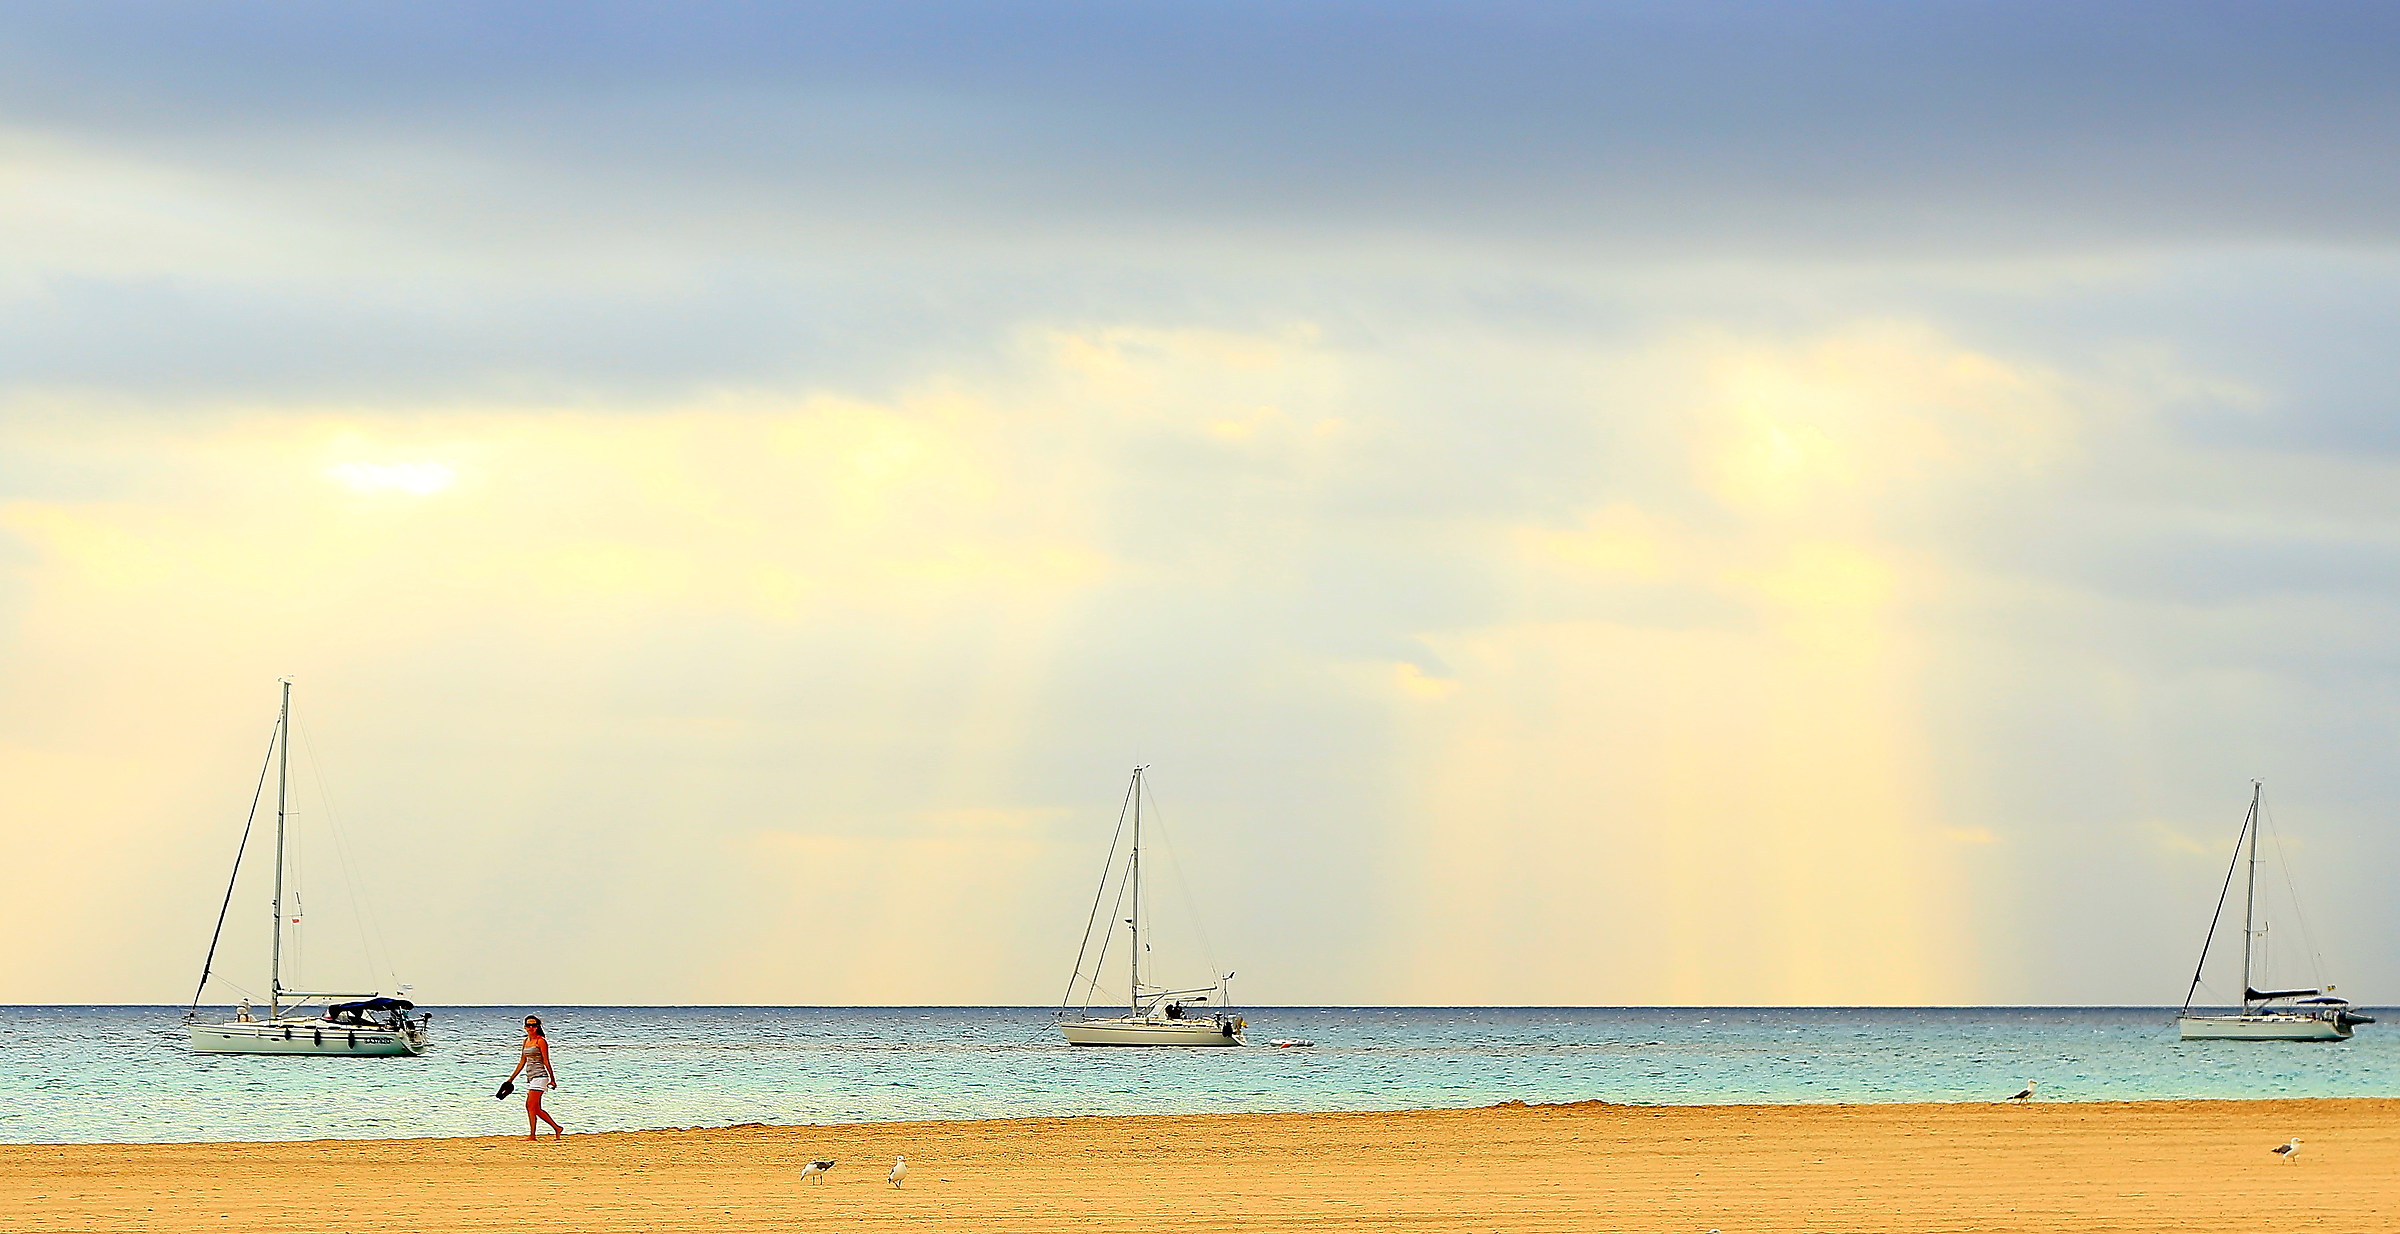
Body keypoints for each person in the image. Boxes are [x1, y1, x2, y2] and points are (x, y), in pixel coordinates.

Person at [505, 1015, 565, 1139]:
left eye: (533, 1025)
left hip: (540, 1076)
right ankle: (557, 1128)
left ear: (537, 1026)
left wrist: (552, 1079)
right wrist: (511, 1078)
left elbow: (546, 1061)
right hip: (530, 1077)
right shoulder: (526, 1041)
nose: (531, 1027)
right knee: (535, 1108)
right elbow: (522, 1061)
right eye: (528, 1025)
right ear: (525, 1027)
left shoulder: (540, 1041)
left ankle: (532, 1135)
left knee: (530, 1105)